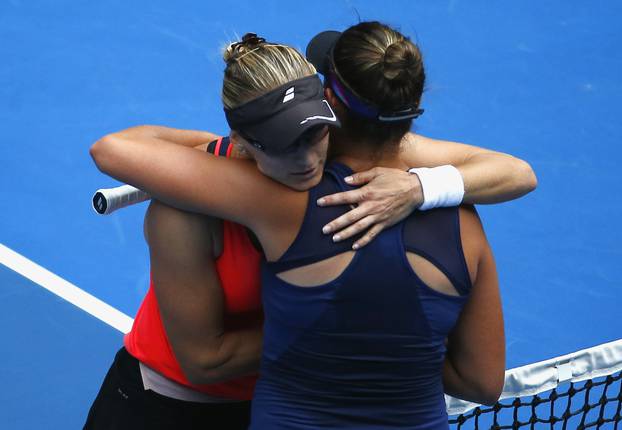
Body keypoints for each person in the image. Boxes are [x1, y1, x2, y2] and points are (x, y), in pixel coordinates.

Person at [89, 25, 532, 428]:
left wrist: (419, 187)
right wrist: (365, 336)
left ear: (329, 112)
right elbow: (205, 361)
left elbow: (517, 172)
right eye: (281, 145)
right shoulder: (191, 204)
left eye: (313, 135)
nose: (304, 160)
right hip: (171, 409)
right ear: (244, 142)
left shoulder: (347, 151)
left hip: (278, 399)